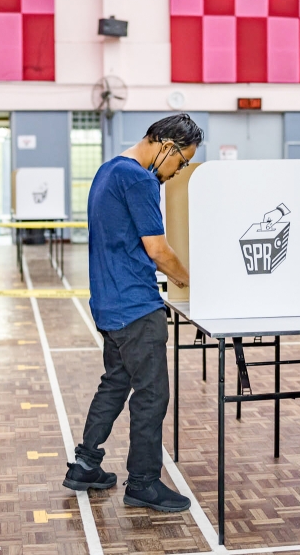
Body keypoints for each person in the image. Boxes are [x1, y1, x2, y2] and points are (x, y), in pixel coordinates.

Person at [64, 114, 202, 513]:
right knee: (152, 394)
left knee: (115, 382)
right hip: (136, 306)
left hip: (108, 303)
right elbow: (158, 250)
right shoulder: (140, 179)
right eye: (181, 163)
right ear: (165, 145)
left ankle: (86, 464)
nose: (177, 173)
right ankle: (142, 482)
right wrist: (192, 283)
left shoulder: (107, 171)